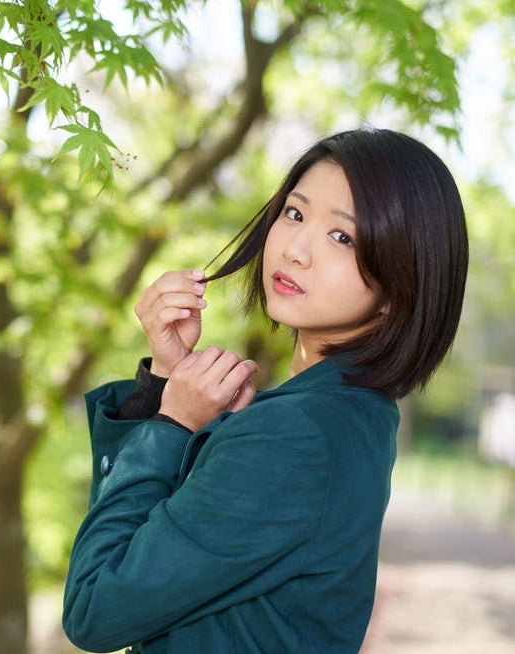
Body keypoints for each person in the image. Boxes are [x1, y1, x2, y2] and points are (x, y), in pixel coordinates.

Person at [62, 128, 469, 653]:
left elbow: (95, 607)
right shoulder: (356, 414)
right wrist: (165, 378)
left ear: (399, 286)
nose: (296, 250)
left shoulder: (296, 433)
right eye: (295, 214)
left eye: (343, 237)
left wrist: (170, 426)